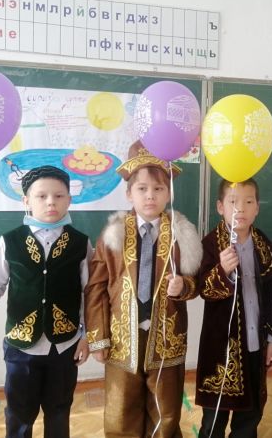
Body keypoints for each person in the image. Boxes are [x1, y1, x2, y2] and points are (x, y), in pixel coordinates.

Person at [84, 141, 203, 437]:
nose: (150, 195)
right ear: (129, 193)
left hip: (167, 336)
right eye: (142, 188)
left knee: (166, 410)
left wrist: (183, 286)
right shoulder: (112, 235)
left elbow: (196, 283)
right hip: (122, 338)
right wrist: (98, 338)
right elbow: (96, 288)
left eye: (159, 188)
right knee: (120, 410)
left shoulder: (182, 233)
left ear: (169, 193)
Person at [0, 165, 93, 438]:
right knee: (19, 414)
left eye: (59, 196)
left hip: (65, 345)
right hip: (20, 346)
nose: (51, 202)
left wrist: (87, 336)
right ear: (26, 200)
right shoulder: (10, 241)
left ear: (69, 200)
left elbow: (89, 292)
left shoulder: (81, 243)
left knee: (59, 411)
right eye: (41, 196)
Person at [195, 178, 272, 438]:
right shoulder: (210, 244)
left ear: (257, 208)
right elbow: (204, 290)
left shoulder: (264, 245)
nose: (241, 209)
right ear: (220, 207)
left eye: (249, 202)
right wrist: (222, 270)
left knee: (250, 418)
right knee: (213, 421)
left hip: (255, 345)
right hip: (220, 349)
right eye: (233, 202)